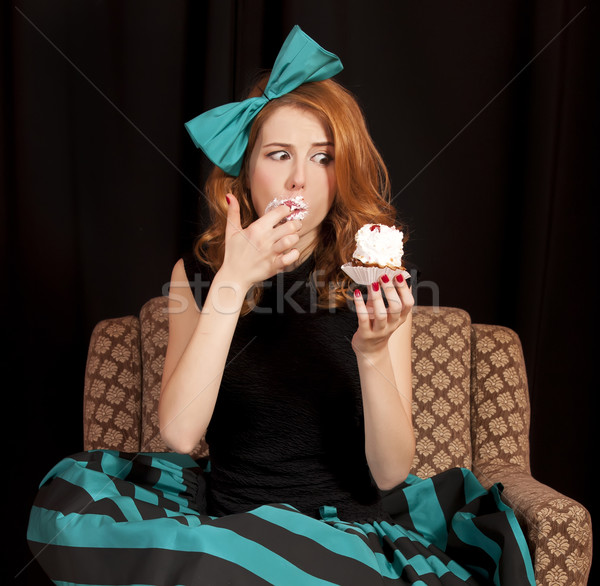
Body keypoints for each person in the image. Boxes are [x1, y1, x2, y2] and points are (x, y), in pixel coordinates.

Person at [28, 26, 535, 585]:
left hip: (345, 533)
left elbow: (392, 472)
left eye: (323, 157)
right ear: (246, 171)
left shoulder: (379, 279)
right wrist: (232, 283)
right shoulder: (195, 275)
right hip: (227, 527)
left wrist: (372, 352)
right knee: (74, 514)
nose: (299, 177)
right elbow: (177, 433)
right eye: (279, 154)